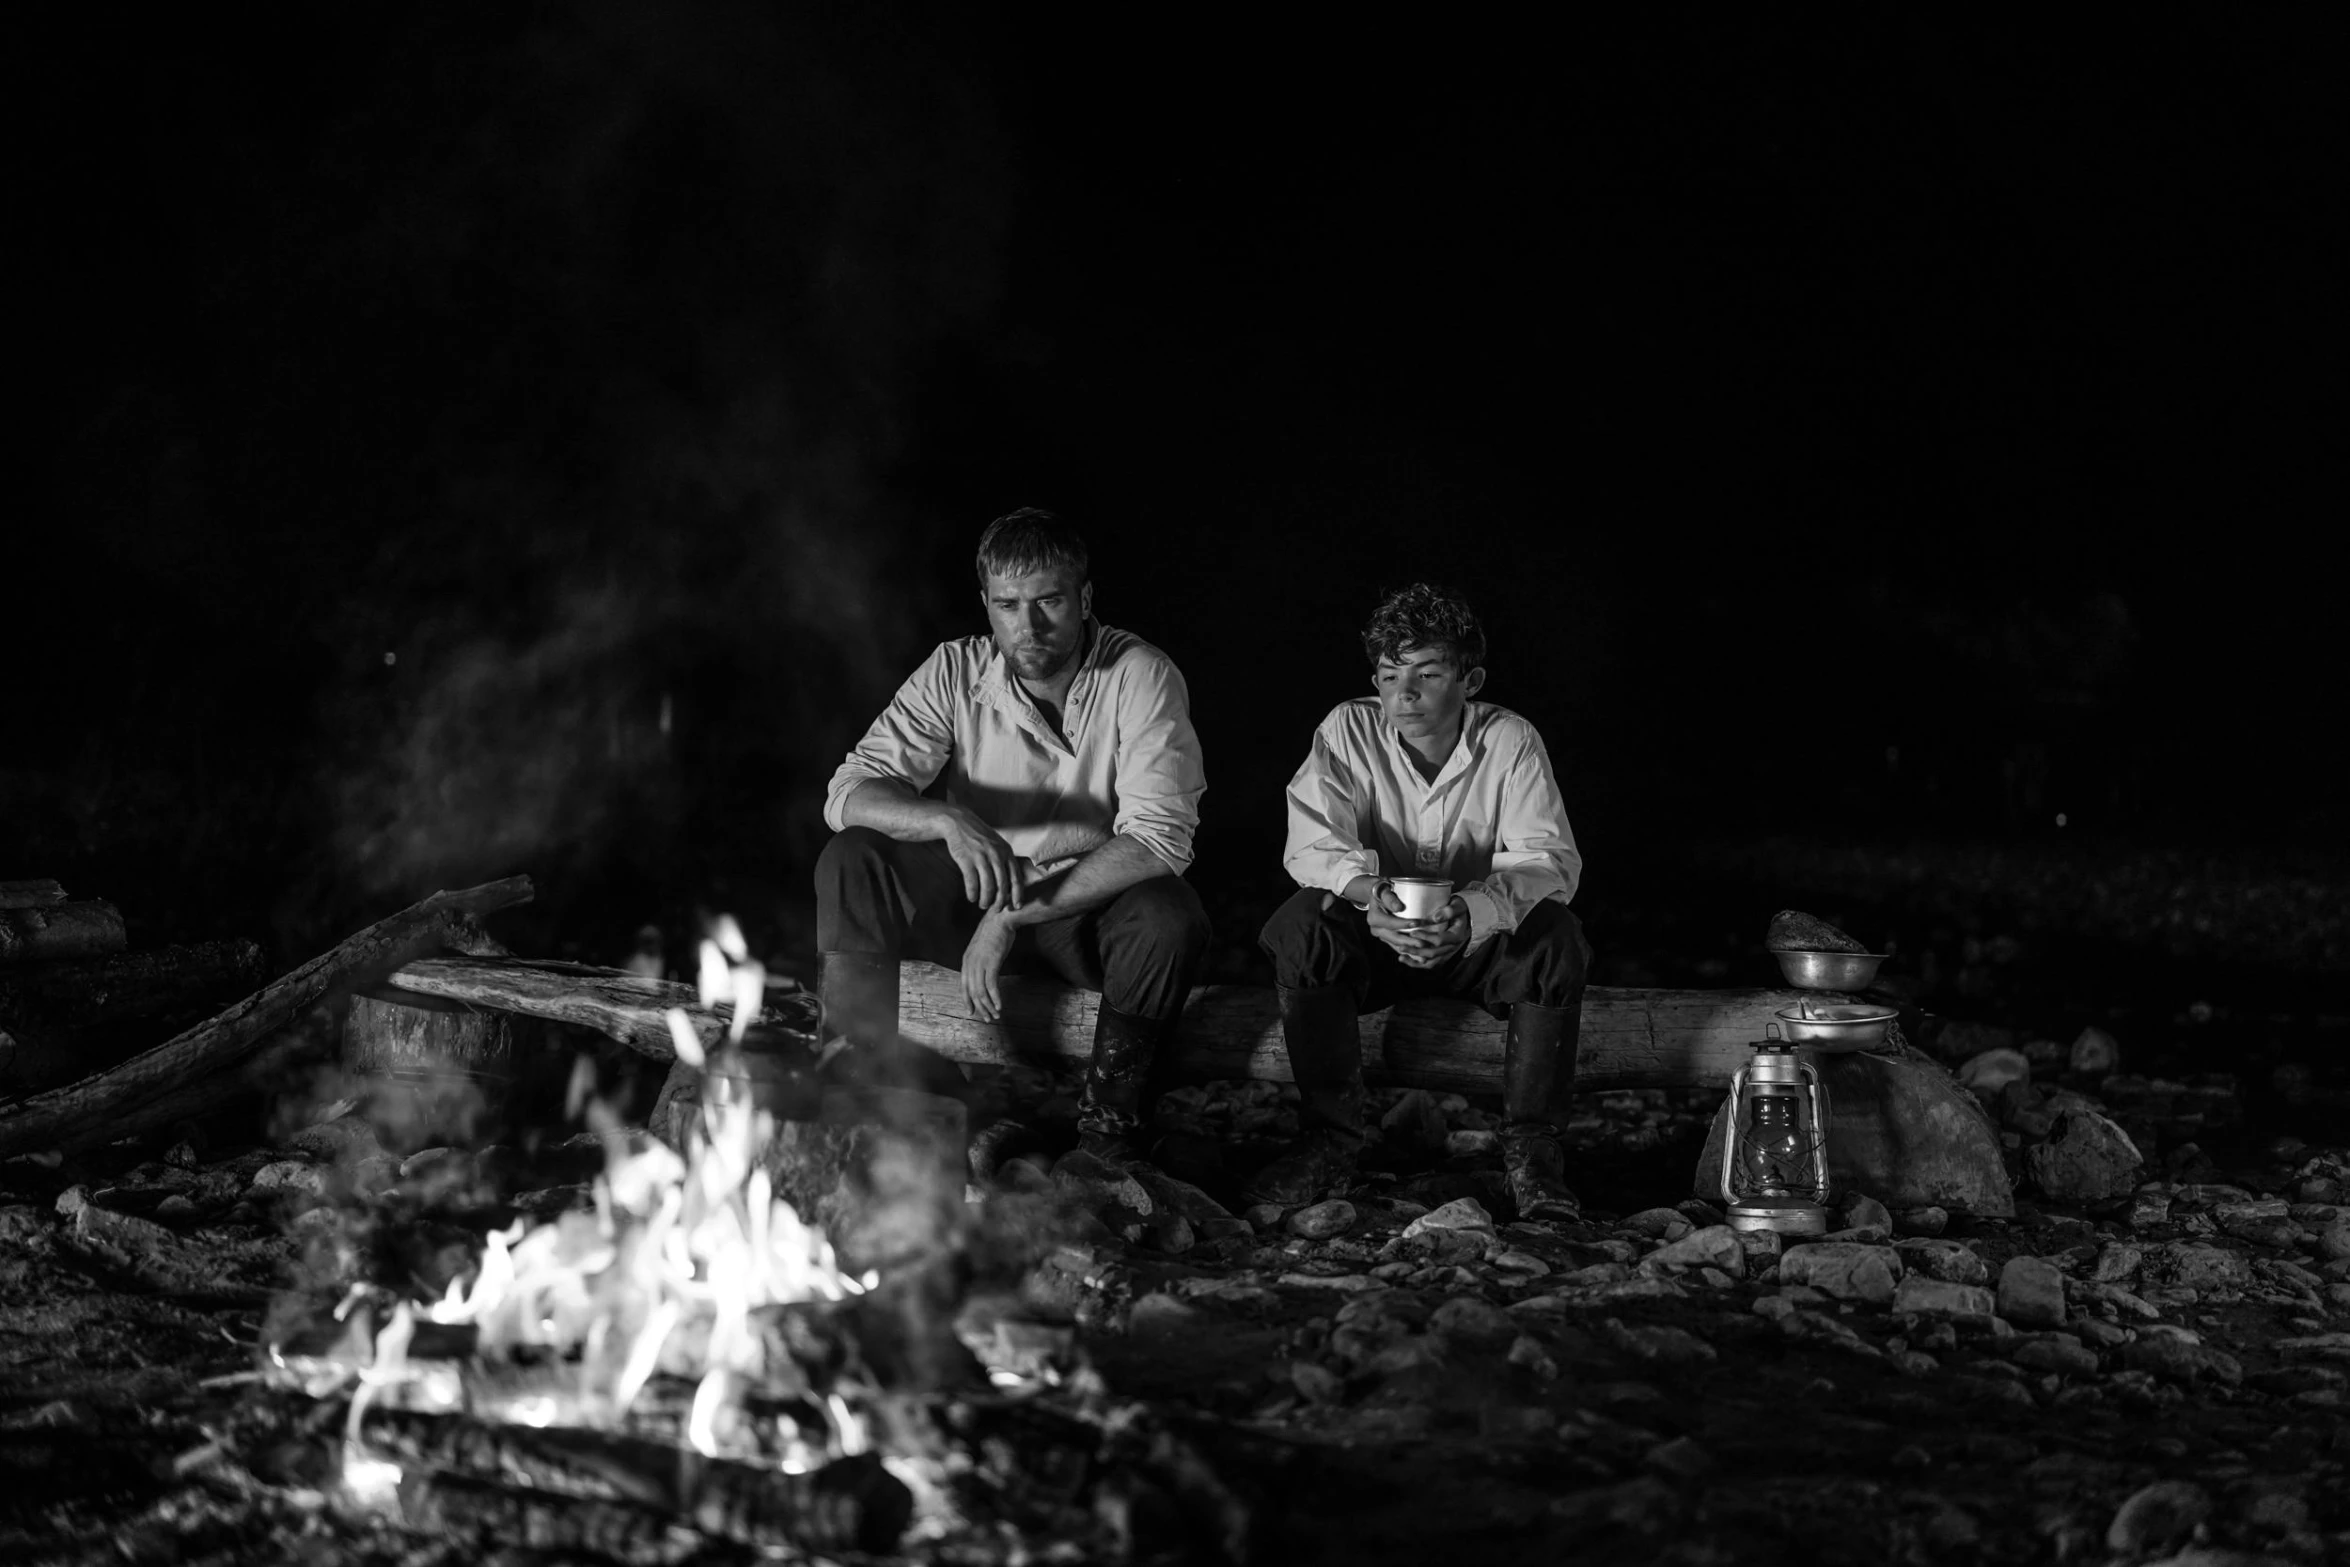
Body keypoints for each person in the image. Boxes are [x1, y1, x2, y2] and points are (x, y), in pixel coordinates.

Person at [815, 508, 1210, 1169]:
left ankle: (1109, 1141)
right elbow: (848, 792)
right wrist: (946, 819)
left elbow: (1160, 839)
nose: (1027, 627)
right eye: (1008, 605)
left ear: (1085, 598)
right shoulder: (954, 670)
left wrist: (1013, 913)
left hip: (1077, 913)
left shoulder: (1141, 674)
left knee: (1170, 914)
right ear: (987, 605)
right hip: (970, 892)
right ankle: (864, 1099)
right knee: (852, 855)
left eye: (1049, 601)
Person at [1250, 583, 1589, 1219]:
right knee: (1299, 926)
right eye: (1388, 675)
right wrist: (1368, 895)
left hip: (1477, 948)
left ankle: (1532, 1153)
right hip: (1377, 941)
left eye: (1428, 674)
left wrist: (1472, 915)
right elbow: (1310, 843)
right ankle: (1329, 1141)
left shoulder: (1510, 740)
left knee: (1558, 935)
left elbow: (1548, 860)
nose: (1403, 695)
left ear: (1470, 679)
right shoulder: (1347, 730)